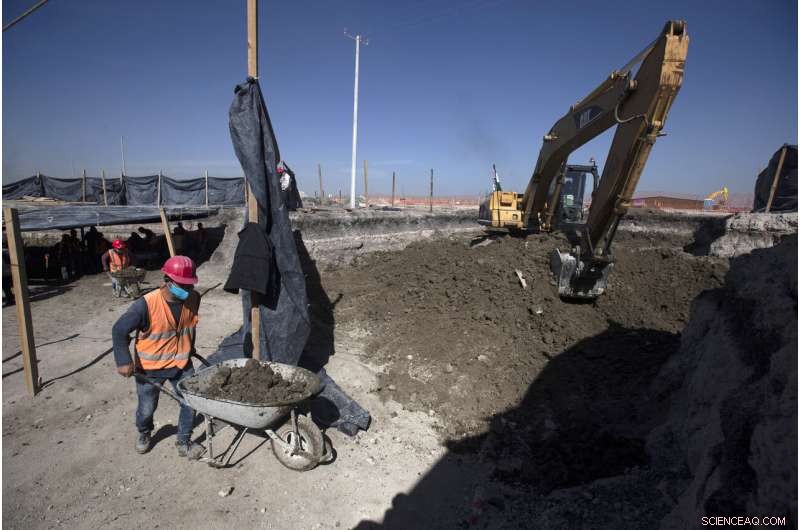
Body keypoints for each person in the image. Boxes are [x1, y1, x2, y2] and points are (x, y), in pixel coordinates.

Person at [111, 256, 203, 458]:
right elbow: (119, 330)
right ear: (167, 280)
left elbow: (189, 324)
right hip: (150, 368)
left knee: (191, 401)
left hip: (181, 362)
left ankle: (184, 441)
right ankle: (144, 432)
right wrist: (123, 360)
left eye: (190, 285)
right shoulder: (145, 305)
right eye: (182, 285)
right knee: (147, 408)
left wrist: (191, 346)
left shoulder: (194, 298)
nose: (186, 290)